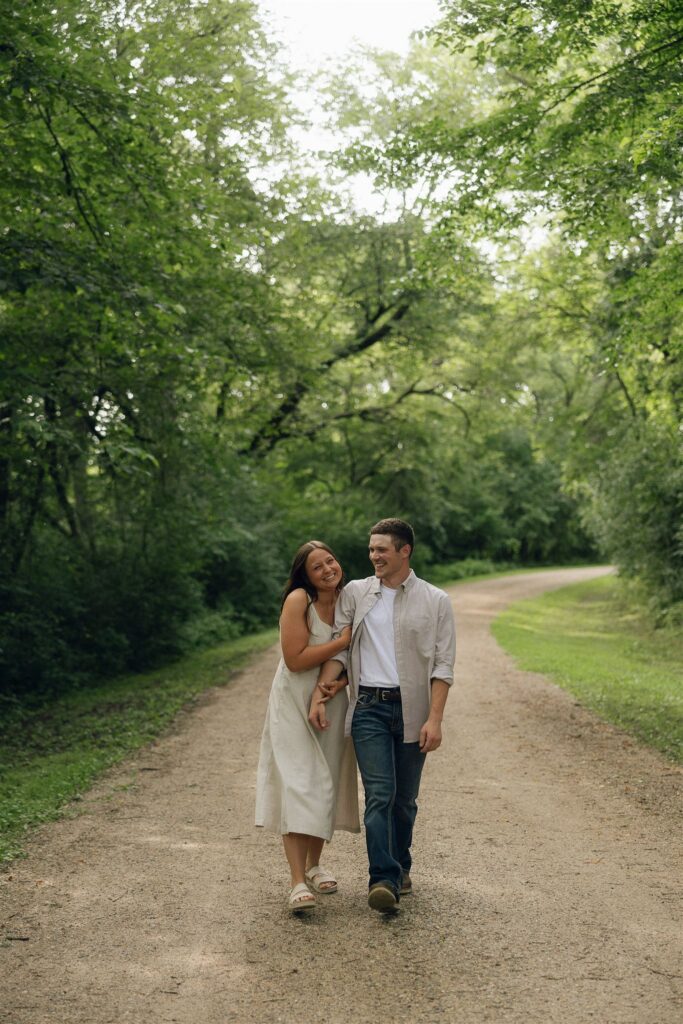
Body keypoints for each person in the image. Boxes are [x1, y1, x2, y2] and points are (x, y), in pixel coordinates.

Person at [309, 518, 456, 913]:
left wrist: (435, 719)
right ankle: (383, 879)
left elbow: (443, 666)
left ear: (404, 551)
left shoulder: (435, 600)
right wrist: (324, 691)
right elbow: (341, 648)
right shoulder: (356, 593)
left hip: (414, 709)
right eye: (371, 549)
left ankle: (401, 865)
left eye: (381, 549)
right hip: (369, 708)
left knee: (404, 800)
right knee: (379, 795)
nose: (373, 555)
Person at [255, 541, 360, 913]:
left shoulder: (350, 597)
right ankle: (297, 881)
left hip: (332, 697)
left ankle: (315, 865)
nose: (328, 569)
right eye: (317, 567)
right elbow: (295, 659)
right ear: (305, 575)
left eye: (330, 560)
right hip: (293, 701)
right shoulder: (299, 599)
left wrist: (340, 683)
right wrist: (342, 641)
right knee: (299, 783)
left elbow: (358, 657)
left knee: (326, 779)